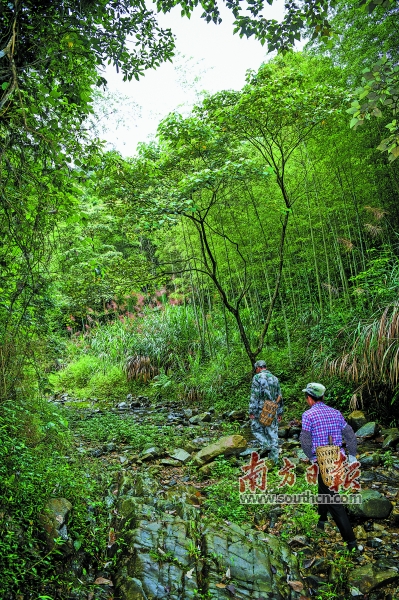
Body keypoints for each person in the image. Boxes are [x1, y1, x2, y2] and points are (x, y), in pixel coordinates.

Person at [300, 382, 358, 551]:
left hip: (322, 458)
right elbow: (349, 434)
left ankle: (351, 542)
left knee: (333, 498)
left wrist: (311, 457)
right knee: (323, 486)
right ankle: (322, 519)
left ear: (310, 399)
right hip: (337, 458)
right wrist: (352, 456)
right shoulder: (336, 413)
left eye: (307, 397)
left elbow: (305, 440)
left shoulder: (309, 415)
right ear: (323, 397)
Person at [249, 360, 283, 465]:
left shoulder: (257, 378)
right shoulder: (275, 378)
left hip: (261, 408)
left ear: (258, 368)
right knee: (272, 433)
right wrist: (280, 412)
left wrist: (252, 410)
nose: (256, 371)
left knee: (256, 429)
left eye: (256, 369)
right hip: (272, 408)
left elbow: (255, 395)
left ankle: (266, 446)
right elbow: (280, 396)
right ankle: (274, 460)